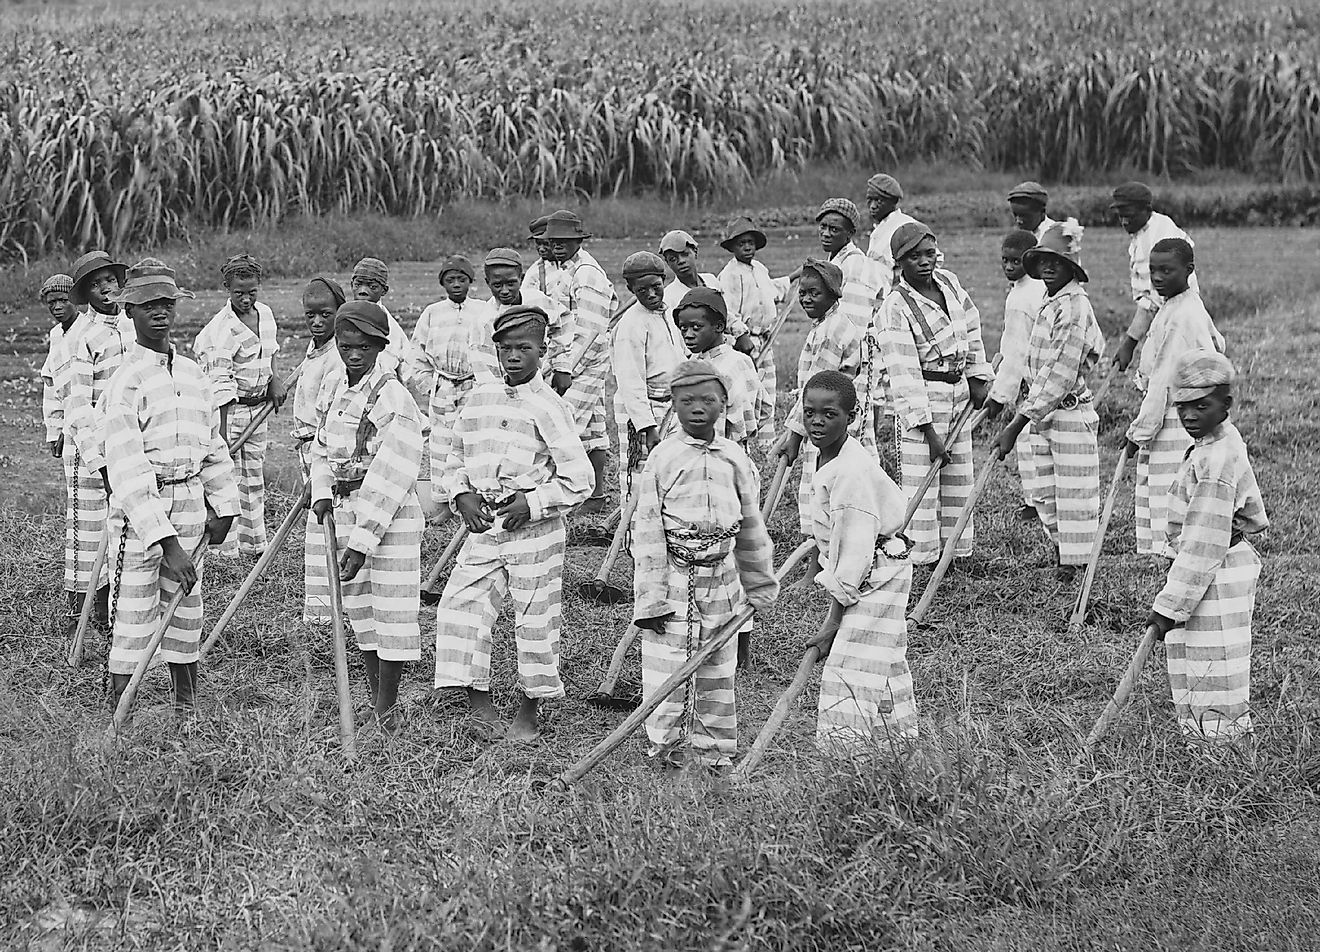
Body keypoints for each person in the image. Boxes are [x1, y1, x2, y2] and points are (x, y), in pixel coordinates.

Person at [433, 306, 592, 741]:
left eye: (525, 349)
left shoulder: (549, 406)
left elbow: (580, 479)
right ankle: (479, 704)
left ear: (543, 351)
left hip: (533, 532)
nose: (514, 358)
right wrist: (461, 494)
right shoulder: (478, 399)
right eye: (506, 349)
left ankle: (529, 709)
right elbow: (454, 458)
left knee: (534, 617)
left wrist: (535, 503)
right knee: (461, 606)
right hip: (486, 526)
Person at [100, 259, 238, 715]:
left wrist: (225, 505)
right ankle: (125, 716)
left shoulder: (192, 373)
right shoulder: (126, 382)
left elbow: (212, 444)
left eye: (165, 305)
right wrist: (167, 543)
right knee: (135, 616)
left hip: (191, 499)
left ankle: (186, 709)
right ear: (130, 313)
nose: (159, 313)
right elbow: (126, 470)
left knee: (186, 609)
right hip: (143, 516)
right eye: (147, 306)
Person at [630, 358, 778, 768]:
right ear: (673, 405)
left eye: (708, 400)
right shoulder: (662, 459)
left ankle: (714, 751)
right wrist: (651, 601)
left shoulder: (735, 458)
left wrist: (758, 582)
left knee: (718, 667)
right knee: (667, 669)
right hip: (674, 577)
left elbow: (750, 524)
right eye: (688, 401)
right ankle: (666, 748)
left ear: (724, 403)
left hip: (723, 579)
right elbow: (647, 535)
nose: (698, 408)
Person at [310, 301, 425, 732]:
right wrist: (322, 491)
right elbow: (321, 447)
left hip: (388, 515)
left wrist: (362, 542)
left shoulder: (392, 397)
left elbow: (392, 472)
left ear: (380, 346)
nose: (354, 354)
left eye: (363, 347)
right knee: (360, 609)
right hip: (346, 507)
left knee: (391, 611)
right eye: (346, 346)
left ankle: (386, 711)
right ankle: (374, 698)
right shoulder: (336, 388)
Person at [1147, 350, 1266, 743]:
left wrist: (1168, 607)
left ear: (1226, 405)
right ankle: (1200, 735)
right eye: (1182, 407)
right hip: (1206, 565)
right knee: (1195, 654)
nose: (1190, 416)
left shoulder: (1217, 460)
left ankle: (1220, 747)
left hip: (1217, 566)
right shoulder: (1213, 440)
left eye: (1202, 406)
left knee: (1215, 660)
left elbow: (1203, 542)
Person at [799, 370, 917, 747]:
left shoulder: (850, 474)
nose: (817, 422)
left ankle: (844, 754)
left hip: (875, 571)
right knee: (881, 654)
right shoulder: (829, 458)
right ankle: (893, 742)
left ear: (852, 416)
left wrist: (833, 621)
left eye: (829, 414)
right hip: (876, 562)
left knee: (850, 661)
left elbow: (854, 554)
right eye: (810, 412)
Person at [992, 220, 1104, 582]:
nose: (1049, 268)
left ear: (1072, 267)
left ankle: (1075, 565)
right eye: (1043, 261)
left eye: (1058, 262)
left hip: (1066, 411)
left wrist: (1015, 424)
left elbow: (1061, 370)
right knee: (1041, 489)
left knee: (1074, 492)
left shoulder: (1074, 307)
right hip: (1039, 410)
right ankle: (1061, 552)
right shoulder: (1048, 299)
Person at [878, 221, 992, 567]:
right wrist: (928, 432)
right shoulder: (895, 306)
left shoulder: (951, 284)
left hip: (957, 393)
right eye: (914, 257)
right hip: (924, 399)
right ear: (900, 262)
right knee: (922, 484)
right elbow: (904, 372)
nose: (925, 262)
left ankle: (955, 555)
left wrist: (976, 376)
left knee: (959, 477)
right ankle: (922, 560)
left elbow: (972, 330)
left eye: (930, 254)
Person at [772, 258, 870, 586]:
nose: (807, 298)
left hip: (830, 424)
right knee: (820, 493)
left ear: (833, 294)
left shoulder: (833, 330)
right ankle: (823, 565)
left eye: (815, 292)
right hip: (824, 422)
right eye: (803, 292)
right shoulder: (824, 325)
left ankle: (820, 569)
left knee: (824, 494)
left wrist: (795, 435)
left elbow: (818, 387)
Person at [1124, 238, 1224, 559]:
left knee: (1172, 491)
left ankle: (1175, 562)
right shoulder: (1182, 303)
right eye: (1153, 270)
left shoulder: (1183, 315)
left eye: (1167, 270)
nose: (1157, 277)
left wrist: (1138, 432)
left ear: (1188, 271)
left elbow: (1163, 382)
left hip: (1175, 418)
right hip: (1185, 412)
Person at [193, 253, 285, 559]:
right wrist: (220, 436)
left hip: (257, 410)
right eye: (238, 293)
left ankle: (254, 544)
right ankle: (225, 550)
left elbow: (270, 351)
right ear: (227, 289)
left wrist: (275, 380)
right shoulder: (220, 330)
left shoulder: (267, 315)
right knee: (227, 478)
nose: (245, 299)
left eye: (251, 292)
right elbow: (220, 387)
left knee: (253, 476)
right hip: (229, 411)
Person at [65, 251, 132, 630]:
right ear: (85, 294)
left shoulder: (132, 326)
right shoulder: (83, 337)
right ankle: (86, 612)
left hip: (127, 445)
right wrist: (100, 462)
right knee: (92, 534)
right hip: (91, 450)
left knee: (123, 527)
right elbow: (77, 406)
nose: (105, 288)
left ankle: (119, 609)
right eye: (95, 284)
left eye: (109, 279)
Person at [402, 254, 495, 502]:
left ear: (471, 282)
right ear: (443, 284)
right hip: (443, 387)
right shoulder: (433, 313)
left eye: (462, 279)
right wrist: (428, 385)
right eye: (451, 279)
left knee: (472, 440)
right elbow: (416, 353)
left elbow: (492, 348)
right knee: (441, 444)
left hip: (473, 385)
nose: (456, 284)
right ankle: (443, 500)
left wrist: (485, 384)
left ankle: (473, 498)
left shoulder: (483, 310)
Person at [540, 210, 616, 509]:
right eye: (554, 240)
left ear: (578, 240)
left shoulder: (588, 273)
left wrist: (566, 368)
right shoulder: (564, 269)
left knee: (563, 423)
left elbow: (590, 331)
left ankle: (563, 494)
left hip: (585, 360)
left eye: (566, 239)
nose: (558, 244)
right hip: (568, 358)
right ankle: (594, 497)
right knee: (594, 427)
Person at [293, 276, 348, 624]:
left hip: (324, 450)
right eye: (310, 315)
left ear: (339, 313)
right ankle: (319, 612)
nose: (316, 322)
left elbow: (334, 419)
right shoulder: (314, 350)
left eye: (325, 315)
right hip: (306, 445)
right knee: (316, 528)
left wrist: (319, 470)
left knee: (329, 523)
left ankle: (331, 613)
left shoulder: (340, 359)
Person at [610, 251, 686, 503]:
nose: (651, 294)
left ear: (664, 280)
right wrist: (646, 426)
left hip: (670, 402)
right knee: (638, 475)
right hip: (643, 408)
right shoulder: (631, 325)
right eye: (643, 290)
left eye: (656, 287)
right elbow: (630, 381)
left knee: (670, 468)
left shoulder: (670, 313)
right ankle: (632, 535)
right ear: (631, 289)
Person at [39, 273, 91, 635]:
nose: (59, 307)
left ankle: (99, 597)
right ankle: (78, 597)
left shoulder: (89, 330)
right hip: (72, 432)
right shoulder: (57, 337)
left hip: (94, 427)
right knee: (78, 514)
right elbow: (51, 387)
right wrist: (54, 428)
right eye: (52, 303)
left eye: (64, 300)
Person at [984, 231, 1048, 521]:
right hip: (1045, 378)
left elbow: (1016, 352)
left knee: (1029, 442)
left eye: (1016, 261)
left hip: (1032, 380)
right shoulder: (1039, 287)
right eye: (1004, 260)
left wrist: (998, 396)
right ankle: (1039, 500)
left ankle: (1036, 503)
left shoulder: (1022, 298)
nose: (1009, 266)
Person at [1108, 182, 1198, 372]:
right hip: (1166, 315)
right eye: (1120, 216)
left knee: (1172, 371)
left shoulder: (1159, 237)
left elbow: (1152, 301)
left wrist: (1129, 344)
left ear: (1146, 209)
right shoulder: (1143, 231)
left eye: (1129, 215)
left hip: (1175, 313)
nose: (1124, 222)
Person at [716, 216, 791, 443]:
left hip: (765, 341)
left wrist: (795, 276)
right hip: (744, 342)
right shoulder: (729, 275)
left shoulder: (759, 269)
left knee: (768, 389)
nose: (747, 247)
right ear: (732, 247)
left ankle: (766, 440)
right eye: (741, 243)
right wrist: (741, 335)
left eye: (750, 242)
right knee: (746, 390)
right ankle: (743, 437)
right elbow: (726, 309)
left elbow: (772, 292)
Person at [673, 287, 767, 447]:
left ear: (718, 326)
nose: (688, 334)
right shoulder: (695, 362)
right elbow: (764, 409)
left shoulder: (729, 366)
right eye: (683, 328)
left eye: (696, 327)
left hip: (722, 451)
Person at [473, 247, 571, 385]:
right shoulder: (485, 322)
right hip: (508, 389)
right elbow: (485, 371)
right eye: (497, 285)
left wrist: (562, 367)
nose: (505, 291)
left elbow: (562, 322)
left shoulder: (538, 300)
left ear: (521, 278)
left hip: (543, 381)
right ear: (487, 282)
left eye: (511, 283)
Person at [659, 229, 752, 353]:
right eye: (673, 259)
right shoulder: (670, 297)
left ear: (695, 252)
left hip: (724, 347)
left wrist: (740, 333)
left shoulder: (710, 281)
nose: (681, 261)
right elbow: (677, 338)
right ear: (667, 263)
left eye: (685, 254)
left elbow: (724, 313)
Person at [348, 257, 412, 375]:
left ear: (384, 290)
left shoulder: (390, 329)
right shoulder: (344, 318)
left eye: (372, 287)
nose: (363, 291)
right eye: (358, 284)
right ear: (351, 285)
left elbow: (400, 367)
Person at [864, 174, 919, 291]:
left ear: (893, 201)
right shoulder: (880, 229)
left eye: (879, 201)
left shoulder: (905, 226)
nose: (873, 206)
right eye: (870, 200)